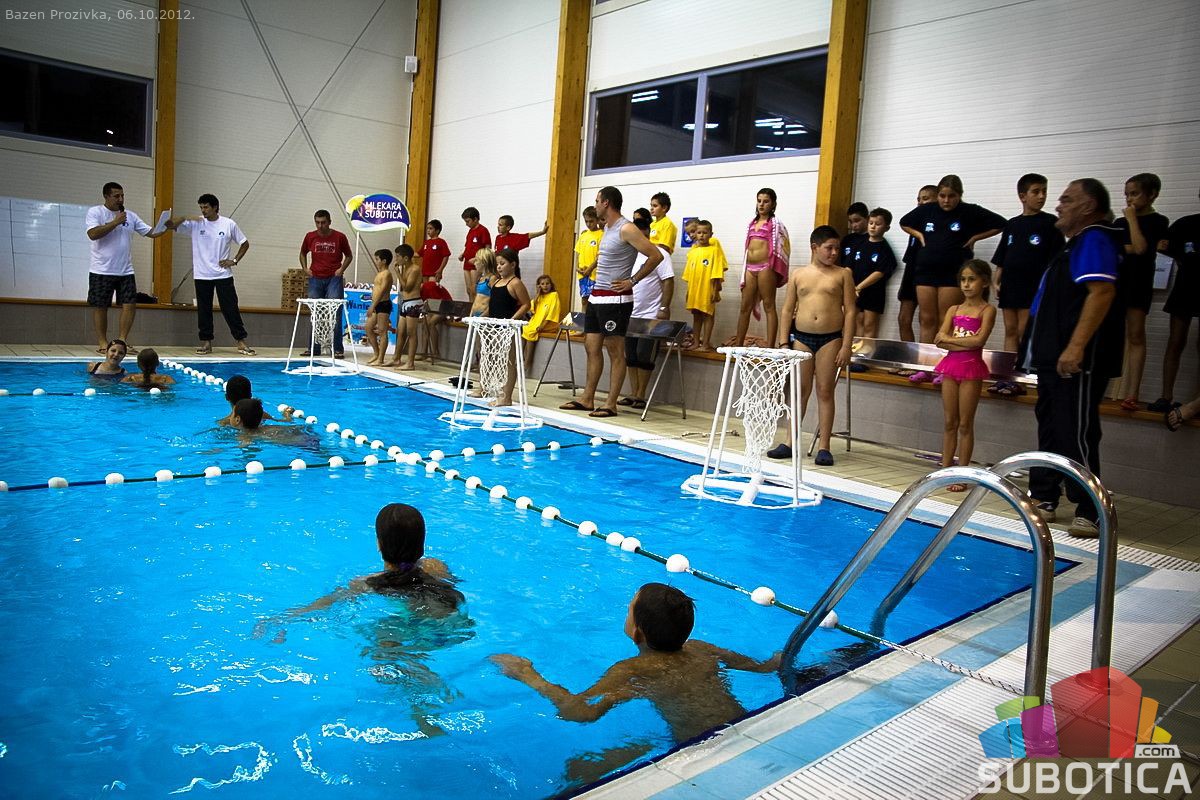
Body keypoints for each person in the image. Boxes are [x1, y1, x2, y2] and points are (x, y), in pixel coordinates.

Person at [490, 583, 778, 784]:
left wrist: (529, 676)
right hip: (748, 730)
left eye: (629, 608)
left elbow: (580, 712)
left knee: (577, 772)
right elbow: (762, 668)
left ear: (637, 633)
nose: (625, 610)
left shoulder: (634, 670)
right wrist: (779, 658)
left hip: (700, 756)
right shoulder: (703, 649)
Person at [1023, 178, 1125, 538]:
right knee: (1051, 424)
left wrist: (1076, 346)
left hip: (1075, 359)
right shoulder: (1074, 244)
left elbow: (1101, 292)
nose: (1058, 205)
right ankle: (1045, 496)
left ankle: (1091, 509)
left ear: (1088, 206)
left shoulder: (1095, 237)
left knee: (1075, 430)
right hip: (1053, 356)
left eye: (1067, 200)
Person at [559, 186, 664, 418]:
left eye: (597, 200)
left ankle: (610, 403)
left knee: (615, 351)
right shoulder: (607, 227)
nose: (595, 204)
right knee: (591, 346)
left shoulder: (627, 228)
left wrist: (632, 280)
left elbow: (655, 255)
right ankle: (587, 398)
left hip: (616, 299)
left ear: (606, 202)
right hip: (597, 296)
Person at [769, 226, 856, 466]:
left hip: (831, 339)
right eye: (829, 248)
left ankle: (824, 446)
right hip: (801, 339)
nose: (834, 253)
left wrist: (846, 345)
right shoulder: (798, 274)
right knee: (799, 391)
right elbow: (787, 309)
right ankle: (790, 442)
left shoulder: (843, 274)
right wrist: (783, 342)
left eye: (837, 248)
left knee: (825, 391)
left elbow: (850, 311)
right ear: (814, 247)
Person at [899, 175, 1005, 346]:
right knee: (927, 319)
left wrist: (975, 238)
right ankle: (925, 360)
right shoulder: (928, 209)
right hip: (925, 270)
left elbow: (1001, 223)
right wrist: (919, 235)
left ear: (960, 195)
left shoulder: (969, 211)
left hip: (952, 271)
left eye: (952, 196)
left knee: (945, 319)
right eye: (942, 196)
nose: (946, 200)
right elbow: (904, 222)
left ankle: (943, 358)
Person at [934, 260, 997, 491]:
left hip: (971, 369)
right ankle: (945, 470)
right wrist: (962, 342)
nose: (966, 285)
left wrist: (951, 340)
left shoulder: (987, 310)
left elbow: (979, 341)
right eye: (963, 280)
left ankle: (961, 473)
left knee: (965, 424)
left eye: (972, 279)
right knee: (949, 422)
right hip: (951, 367)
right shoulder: (954, 309)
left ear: (985, 282)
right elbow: (938, 340)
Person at [85, 181, 170, 353]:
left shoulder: (130, 216)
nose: (120, 199)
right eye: (116, 196)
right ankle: (103, 343)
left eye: (122, 195)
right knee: (101, 306)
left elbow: (151, 233)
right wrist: (115, 223)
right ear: (106, 196)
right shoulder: (96, 212)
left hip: (125, 270)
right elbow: (92, 234)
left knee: (130, 305)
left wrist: (165, 226)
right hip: (101, 269)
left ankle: (122, 340)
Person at [169, 194, 254, 355]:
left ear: (215, 207)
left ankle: (241, 341)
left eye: (206, 207)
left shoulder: (228, 224)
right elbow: (169, 225)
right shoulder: (196, 223)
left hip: (223, 275)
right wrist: (185, 217)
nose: (203, 210)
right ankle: (206, 342)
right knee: (204, 309)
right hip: (202, 275)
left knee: (230, 308)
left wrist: (234, 260)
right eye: (201, 207)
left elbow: (245, 243)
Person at [1113, 173, 1170, 411]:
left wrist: (1132, 220)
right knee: (1111, 334)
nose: (1129, 199)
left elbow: (1140, 248)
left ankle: (1132, 392)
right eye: (1127, 194)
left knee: (1136, 335)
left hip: (1139, 284)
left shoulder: (1159, 221)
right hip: (1117, 283)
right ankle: (1105, 387)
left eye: (1135, 194)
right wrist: (1131, 244)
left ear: (1152, 194)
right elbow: (1123, 249)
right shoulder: (1118, 222)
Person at [1151, 189, 1200, 413]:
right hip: (1185, 288)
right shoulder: (1186, 224)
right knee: (1176, 341)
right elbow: (1162, 246)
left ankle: (1195, 401)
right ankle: (1166, 396)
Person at [620, 216, 674, 408]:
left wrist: (664, 307)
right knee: (630, 355)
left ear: (647, 234)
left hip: (650, 314)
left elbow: (668, 281)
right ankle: (633, 392)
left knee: (645, 355)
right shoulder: (629, 254)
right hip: (630, 312)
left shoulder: (660, 254)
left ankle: (641, 394)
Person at [735, 188, 791, 348]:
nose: (761, 204)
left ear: (773, 204)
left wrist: (775, 265)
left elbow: (784, 246)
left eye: (766, 201)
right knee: (744, 307)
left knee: (769, 305)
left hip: (766, 267)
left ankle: (770, 347)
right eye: (759, 201)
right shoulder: (752, 223)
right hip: (750, 268)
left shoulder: (776, 224)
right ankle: (738, 346)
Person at [298, 209, 353, 357]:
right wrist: (305, 269)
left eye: (323, 222)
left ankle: (337, 349)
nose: (320, 226)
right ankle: (313, 348)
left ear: (329, 222)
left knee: (335, 313)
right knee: (315, 312)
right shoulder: (310, 236)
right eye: (317, 222)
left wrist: (341, 269)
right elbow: (302, 253)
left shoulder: (339, 237)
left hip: (334, 278)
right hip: (315, 278)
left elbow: (349, 255)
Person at [488, 247, 531, 407]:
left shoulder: (516, 283)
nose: (499, 267)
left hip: (509, 328)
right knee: (497, 360)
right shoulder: (496, 282)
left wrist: (512, 320)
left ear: (513, 265)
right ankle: (500, 393)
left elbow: (526, 304)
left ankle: (507, 397)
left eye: (502, 263)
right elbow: (492, 305)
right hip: (494, 327)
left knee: (509, 362)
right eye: (497, 264)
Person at [896, 185, 938, 345]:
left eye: (925, 199)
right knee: (903, 318)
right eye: (919, 199)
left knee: (926, 319)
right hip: (911, 270)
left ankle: (926, 356)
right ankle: (909, 356)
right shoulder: (914, 222)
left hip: (929, 273)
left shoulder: (938, 222)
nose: (920, 202)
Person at [847, 208, 898, 340]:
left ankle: (868, 350)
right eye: (871, 223)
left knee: (869, 324)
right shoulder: (859, 244)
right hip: (855, 290)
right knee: (857, 320)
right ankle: (856, 350)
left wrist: (860, 287)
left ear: (886, 228)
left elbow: (879, 272)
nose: (873, 226)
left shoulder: (884, 248)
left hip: (874, 292)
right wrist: (850, 286)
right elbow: (849, 267)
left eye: (878, 224)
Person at [683, 220, 728, 351]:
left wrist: (715, 290)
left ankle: (706, 343)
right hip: (694, 289)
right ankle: (696, 342)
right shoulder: (692, 252)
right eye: (699, 233)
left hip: (707, 288)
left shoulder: (714, 250)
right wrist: (688, 291)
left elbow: (717, 271)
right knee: (696, 316)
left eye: (705, 232)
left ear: (711, 234)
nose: (701, 235)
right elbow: (688, 274)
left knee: (708, 315)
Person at [388, 244, 422, 371]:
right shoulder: (406, 268)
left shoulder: (415, 269)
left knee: (411, 333)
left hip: (414, 303)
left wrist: (397, 272)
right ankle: (396, 358)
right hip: (405, 302)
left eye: (398, 256)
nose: (396, 259)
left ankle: (410, 363)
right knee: (400, 332)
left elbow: (407, 287)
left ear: (406, 258)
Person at [522, 274, 562, 374]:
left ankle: (527, 362)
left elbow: (552, 313)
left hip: (548, 322)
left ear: (551, 285)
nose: (545, 286)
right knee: (524, 330)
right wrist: (537, 294)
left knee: (530, 332)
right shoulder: (539, 296)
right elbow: (532, 310)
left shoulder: (554, 295)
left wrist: (542, 326)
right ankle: (521, 357)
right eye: (542, 284)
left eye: (547, 283)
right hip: (536, 321)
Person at [364, 248, 395, 367]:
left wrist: (373, 306)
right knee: (368, 328)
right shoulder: (379, 273)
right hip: (377, 304)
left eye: (377, 259)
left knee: (382, 331)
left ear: (384, 261)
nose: (376, 261)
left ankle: (381, 359)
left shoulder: (387, 274)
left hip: (383, 304)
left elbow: (382, 291)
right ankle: (376, 353)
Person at [573, 206, 604, 311]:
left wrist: (590, 269)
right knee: (584, 299)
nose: (588, 224)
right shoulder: (583, 235)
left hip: (594, 274)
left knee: (595, 301)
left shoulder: (601, 235)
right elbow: (577, 252)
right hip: (582, 274)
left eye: (591, 221)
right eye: (586, 221)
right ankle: (584, 319)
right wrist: (577, 267)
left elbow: (600, 256)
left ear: (597, 220)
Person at [458, 206, 491, 300]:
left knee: (474, 289)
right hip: (467, 262)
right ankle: (470, 307)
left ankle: (476, 307)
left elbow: (487, 249)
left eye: (468, 221)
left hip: (476, 264)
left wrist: (478, 259)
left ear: (475, 219)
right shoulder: (470, 231)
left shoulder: (483, 230)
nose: (466, 224)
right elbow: (468, 246)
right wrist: (463, 254)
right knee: (469, 290)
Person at [418, 219, 451, 289]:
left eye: (430, 228)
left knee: (432, 289)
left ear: (437, 230)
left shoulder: (441, 242)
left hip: (435, 272)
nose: (428, 230)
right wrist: (407, 253)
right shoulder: (426, 242)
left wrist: (440, 269)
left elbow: (446, 256)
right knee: (425, 290)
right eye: (427, 228)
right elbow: (419, 254)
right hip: (425, 272)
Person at [469, 247, 498, 318]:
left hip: (484, 316)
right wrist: (471, 314)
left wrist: (482, 316)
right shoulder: (481, 278)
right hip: (475, 314)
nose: (474, 263)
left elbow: (495, 301)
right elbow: (477, 298)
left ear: (483, 262)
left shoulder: (492, 278)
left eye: (476, 260)